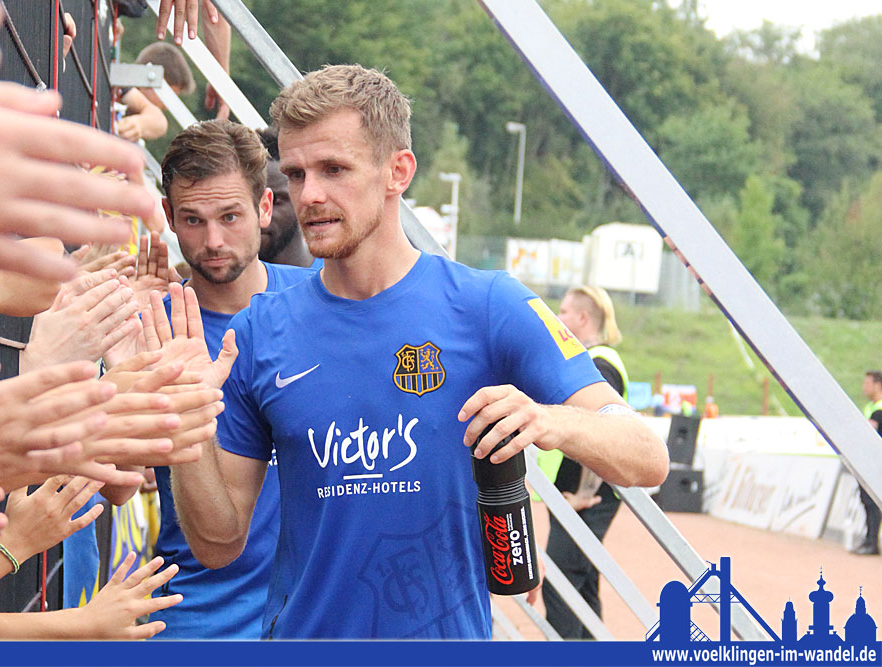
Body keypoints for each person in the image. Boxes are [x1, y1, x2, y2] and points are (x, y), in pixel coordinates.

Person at [169, 64, 668, 639]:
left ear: (397, 171)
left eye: (334, 169)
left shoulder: (489, 305)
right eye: (297, 173)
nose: (310, 195)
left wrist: (548, 419)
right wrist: (187, 432)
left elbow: (645, 456)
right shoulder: (258, 331)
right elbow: (218, 544)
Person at [139, 119, 314, 638]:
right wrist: (124, 365)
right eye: (193, 220)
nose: (213, 240)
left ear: (264, 209)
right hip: (196, 620)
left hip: (318, 619)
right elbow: (113, 488)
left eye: (230, 216)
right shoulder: (151, 327)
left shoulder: (325, 304)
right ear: (169, 217)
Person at [538, 285, 628, 638]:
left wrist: (579, 493)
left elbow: (600, 432)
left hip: (585, 498)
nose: (557, 318)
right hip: (585, 495)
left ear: (583, 318)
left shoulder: (599, 364)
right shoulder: (596, 360)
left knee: (559, 586)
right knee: (583, 588)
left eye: (562, 311)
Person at [256, 128, 315, 268]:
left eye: (274, 201)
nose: (260, 214)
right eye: (249, 201)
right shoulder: (204, 288)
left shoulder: (341, 280)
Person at [854, 370, 882, 555]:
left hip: (876, 462)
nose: (864, 387)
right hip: (869, 461)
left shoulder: (879, 409)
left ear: (877, 385)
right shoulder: (871, 407)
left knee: (872, 501)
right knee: (866, 499)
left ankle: (872, 541)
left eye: (867, 383)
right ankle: (869, 539)